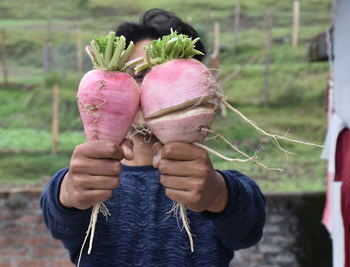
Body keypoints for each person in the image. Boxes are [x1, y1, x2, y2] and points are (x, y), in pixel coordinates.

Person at [40, 8, 265, 267]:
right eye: (140, 74)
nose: (153, 86)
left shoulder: (216, 185)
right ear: (117, 85)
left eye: (170, 76)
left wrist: (217, 194)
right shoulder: (87, 180)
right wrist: (68, 191)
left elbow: (248, 229)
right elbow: (58, 221)